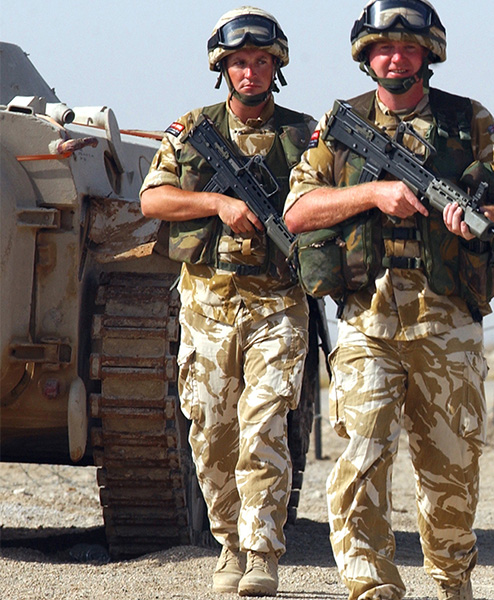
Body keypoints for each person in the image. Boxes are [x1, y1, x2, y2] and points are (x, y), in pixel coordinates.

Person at [283, 2, 494, 599]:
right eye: (383, 49)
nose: (395, 58)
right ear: (366, 57)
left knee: (450, 470)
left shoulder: (469, 120)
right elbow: (297, 212)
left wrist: (480, 220)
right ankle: (370, 586)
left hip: (445, 322)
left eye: (408, 48)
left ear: (429, 56)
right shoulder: (341, 124)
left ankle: (451, 580)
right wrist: (373, 193)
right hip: (367, 321)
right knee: (363, 457)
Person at [139, 6, 314, 596]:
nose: (250, 72)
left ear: (276, 67)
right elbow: (154, 201)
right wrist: (216, 205)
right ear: (223, 67)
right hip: (208, 306)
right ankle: (230, 545)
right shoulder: (192, 128)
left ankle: (262, 551)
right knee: (212, 433)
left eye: (261, 61)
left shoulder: (303, 135)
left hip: (278, 307)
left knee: (263, 425)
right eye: (240, 62)